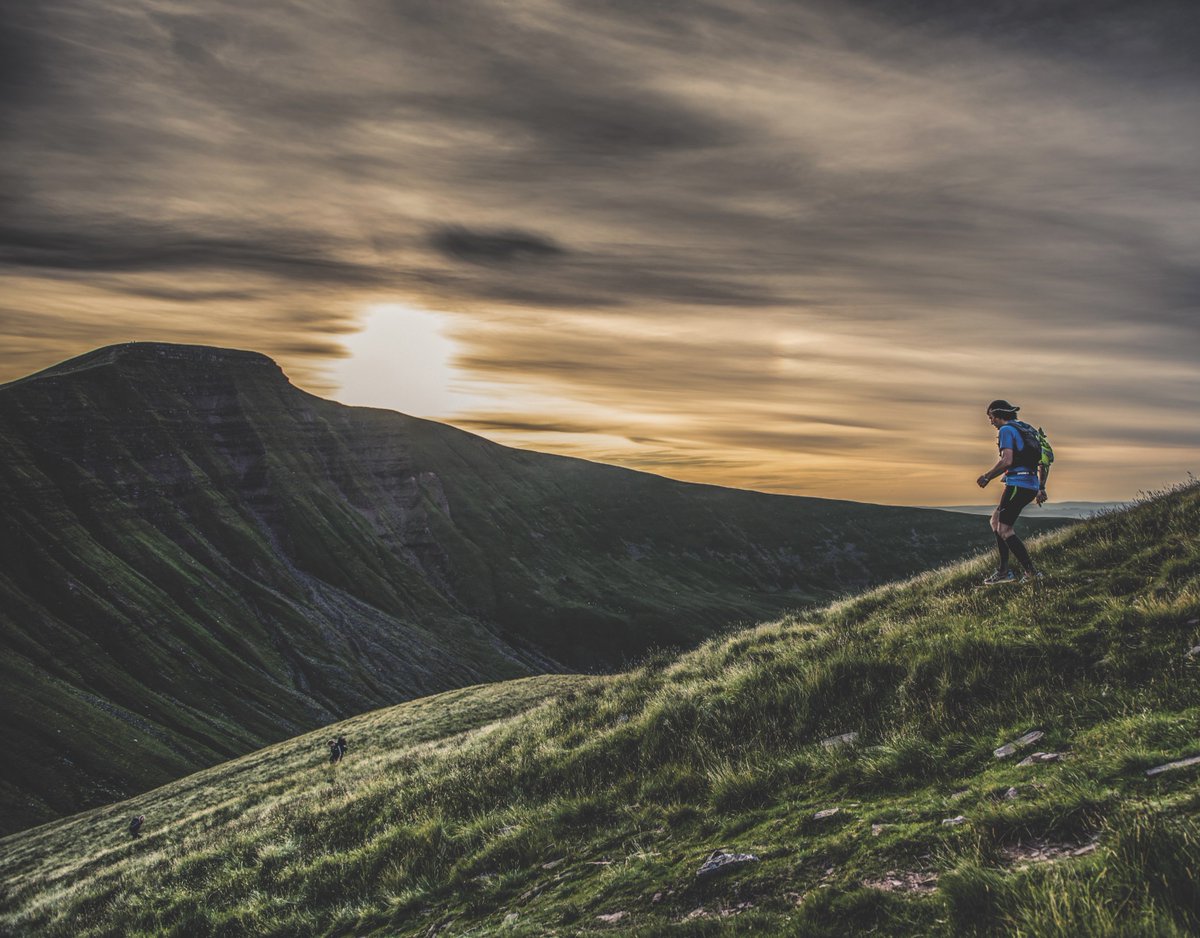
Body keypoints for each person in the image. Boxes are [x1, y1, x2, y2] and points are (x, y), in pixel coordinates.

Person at [976, 399, 1048, 584]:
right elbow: (1044, 460)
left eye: (991, 417)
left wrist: (987, 476)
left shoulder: (1006, 430)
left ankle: (1030, 573)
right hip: (1029, 483)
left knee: (1005, 529)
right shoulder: (1024, 428)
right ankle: (1003, 571)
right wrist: (1041, 486)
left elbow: (1007, 461)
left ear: (998, 415)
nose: (991, 422)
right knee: (995, 521)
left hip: (1018, 484)